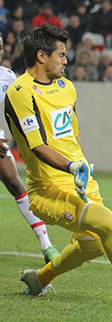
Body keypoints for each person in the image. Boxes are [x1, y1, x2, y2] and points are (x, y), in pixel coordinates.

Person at [12, 25, 112, 306]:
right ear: (41, 56)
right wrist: (71, 167)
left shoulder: (67, 88)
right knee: (108, 223)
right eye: (61, 55)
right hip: (48, 190)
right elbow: (37, 146)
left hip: (80, 181)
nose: (66, 61)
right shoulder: (21, 92)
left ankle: (39, 279)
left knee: (95, 245)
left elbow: (71, 135)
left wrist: (82, 166)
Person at [0, 35, 59, 261]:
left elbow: (19, 104)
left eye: (0, 47)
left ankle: (46, 245)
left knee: (14, 181)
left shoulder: (7, 77)